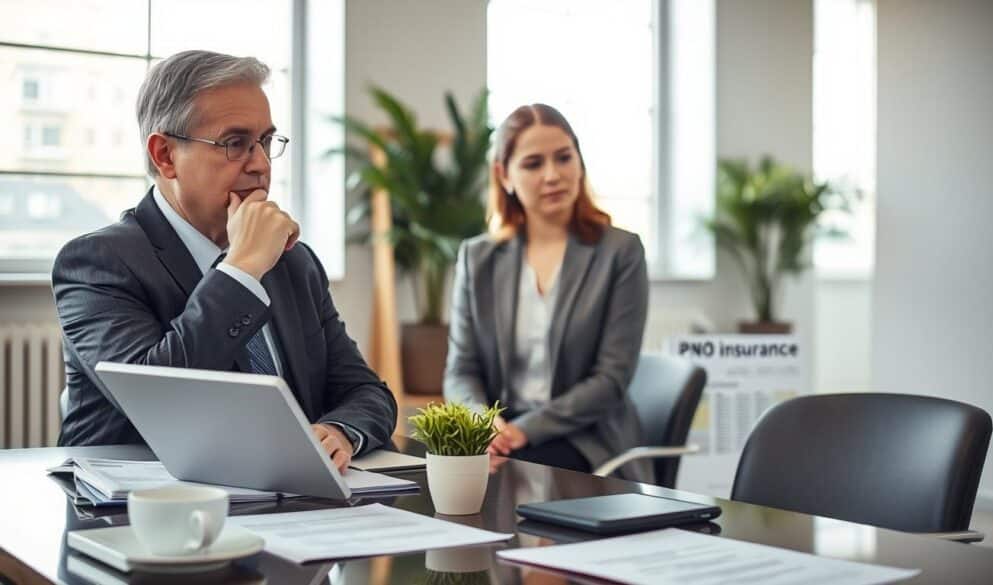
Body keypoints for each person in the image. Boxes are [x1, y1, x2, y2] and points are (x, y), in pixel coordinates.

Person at [52, 50, 395, 472]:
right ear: (165, 155)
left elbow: (366, 392)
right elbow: (160, 400)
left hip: (288, 503)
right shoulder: (98, 262)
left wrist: (340, 430)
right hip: (137, 515)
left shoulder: (294, 262)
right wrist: (242, 269)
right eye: (235, 144)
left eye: (266, 142)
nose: (262, 165)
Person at [443, 104, 653, 483]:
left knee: (509, 473)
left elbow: (611, 379)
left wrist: (524, 431)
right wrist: (484, 423)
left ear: (580, 162)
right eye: (533, 164)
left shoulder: (620, 253)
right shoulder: (479, 258)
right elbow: (461, 368)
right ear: (504, 175)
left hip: (587, 437)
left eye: (564, 158)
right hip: (501, 430)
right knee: (440, 470)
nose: (553, 175)